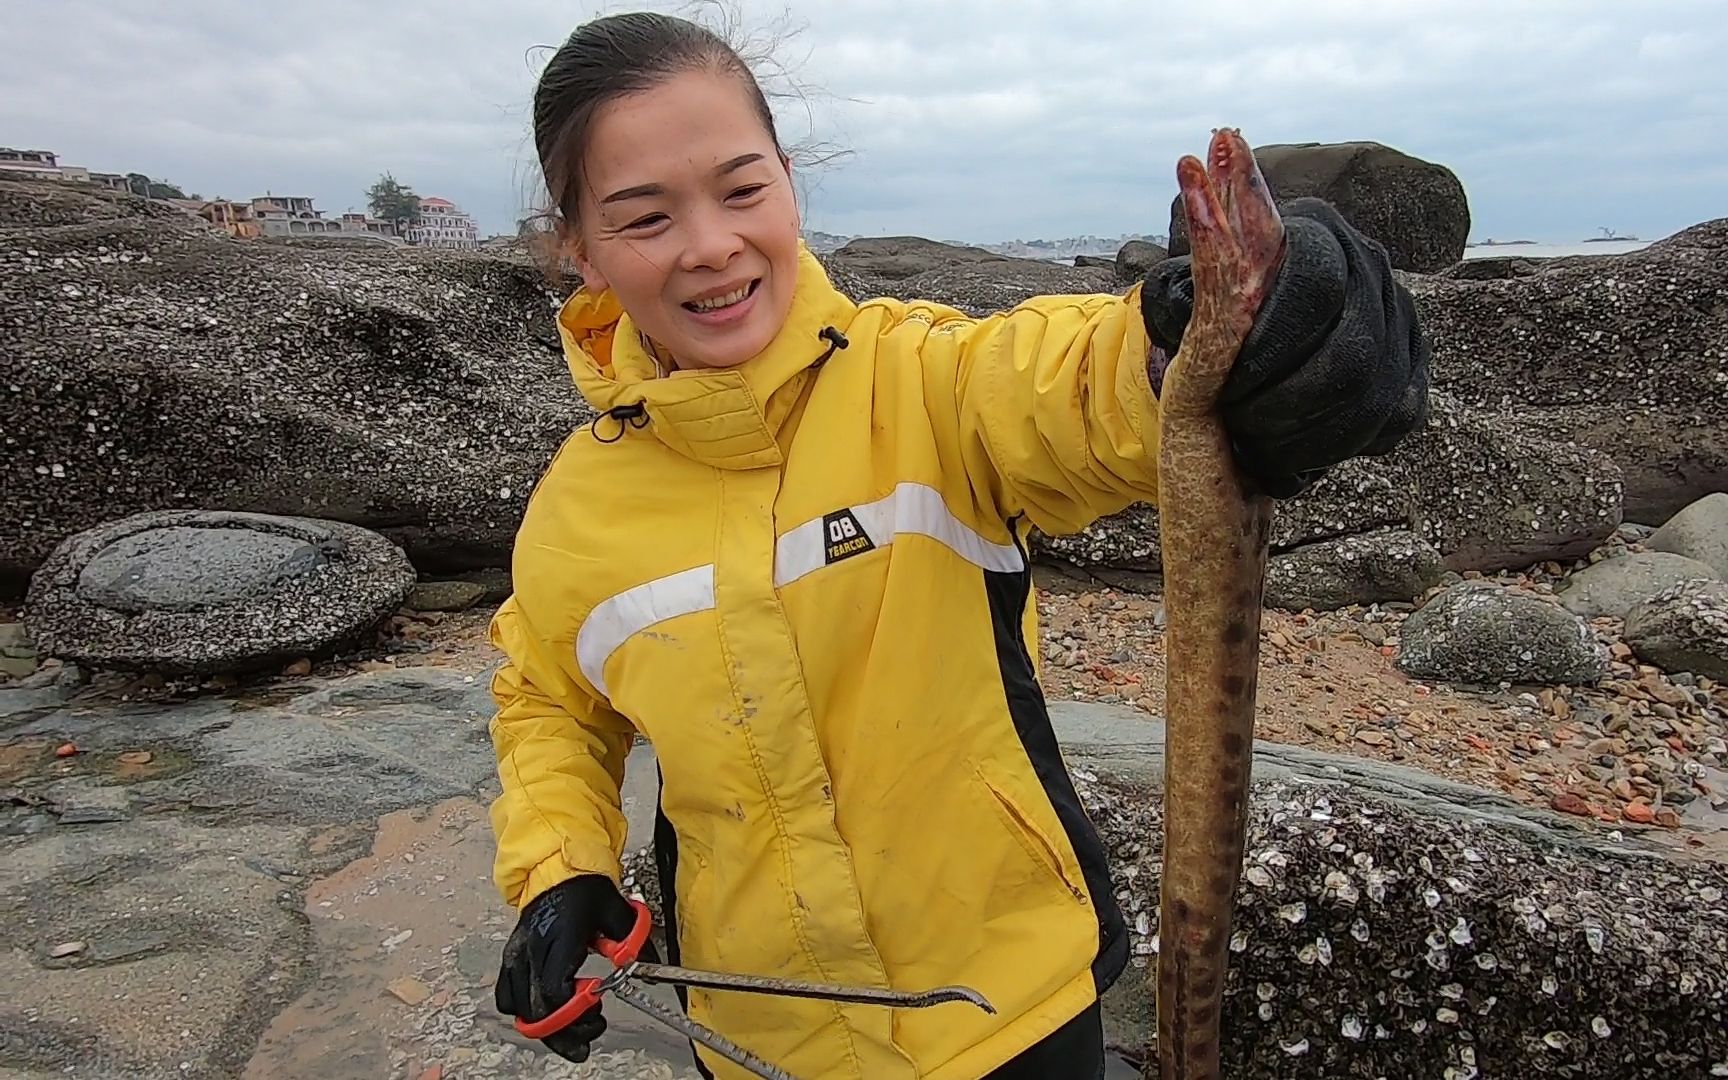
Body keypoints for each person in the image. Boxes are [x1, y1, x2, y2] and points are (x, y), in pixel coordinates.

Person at [486, 11, 1429, 1080]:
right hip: (762, 1040)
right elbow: (550, 704)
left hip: (1013, 1012)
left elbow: (1071, 380)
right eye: (645, 217)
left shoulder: (925, 384)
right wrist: (561, 872)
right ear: (579, 247)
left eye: (742, 190)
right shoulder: (575, 512)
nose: (711, 244)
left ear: (789, 182)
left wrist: (1201, 342)